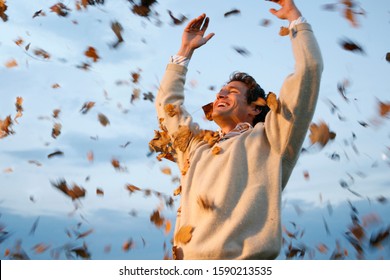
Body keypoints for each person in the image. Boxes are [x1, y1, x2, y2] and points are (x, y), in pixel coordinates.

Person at [152, 0, 323, 259]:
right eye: (221, 90)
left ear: (255, 108)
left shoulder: (271, 139)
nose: (221, 93)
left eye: (232, 92)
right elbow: (167, 107)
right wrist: (184, 52)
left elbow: (308, 71)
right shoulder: (195, 149)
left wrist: (294, 19)